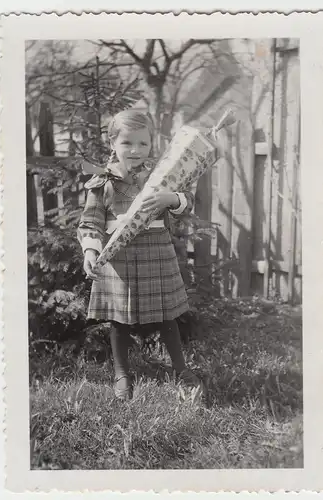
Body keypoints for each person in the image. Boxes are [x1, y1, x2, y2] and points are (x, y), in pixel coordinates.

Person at [77, 109, 200, 400]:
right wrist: (91, 250)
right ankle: (122, 374)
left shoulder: (163, 176)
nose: (135, 150)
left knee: (167, 316)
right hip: (119, 261)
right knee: (119, 320)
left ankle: (180, 369)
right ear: (112, 144)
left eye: (142, 144)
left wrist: (172, 198)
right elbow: (90, 221)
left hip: (157, 255)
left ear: (151, 144)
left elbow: (188, 202)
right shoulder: (102, 182)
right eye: (127, 143)